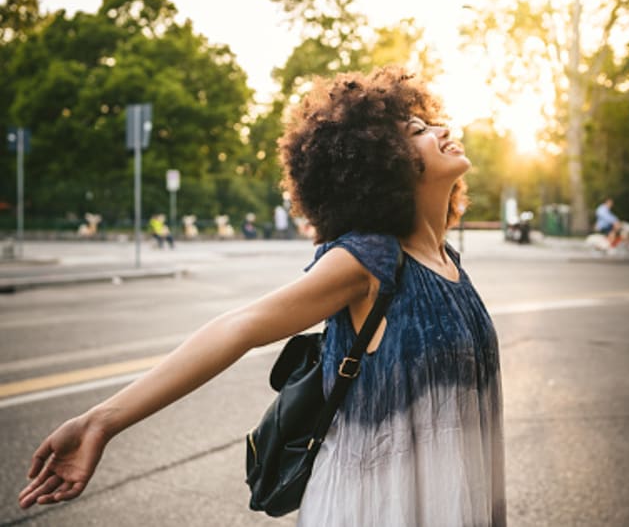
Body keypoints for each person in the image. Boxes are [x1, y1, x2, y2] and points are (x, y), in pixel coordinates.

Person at [18, 67, 506, 526]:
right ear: (382, 163)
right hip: (378, 505)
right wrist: (101, 421)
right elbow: (241, 326)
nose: (440, 129)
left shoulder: (449, 263)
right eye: (418, 128)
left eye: (432, 121)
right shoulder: (368, 260)